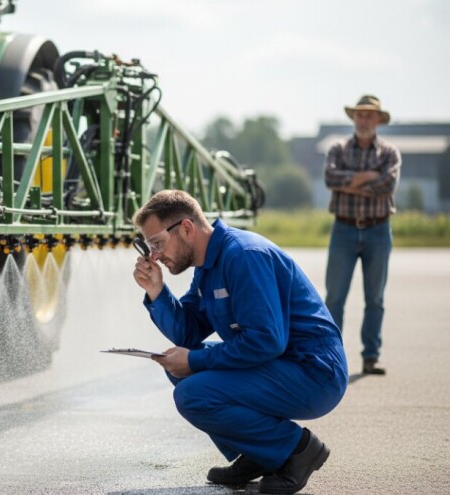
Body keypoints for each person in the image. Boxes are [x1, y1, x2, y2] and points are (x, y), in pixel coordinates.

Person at [132, 190, 348, 494]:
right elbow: (188, 333)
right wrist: (157, 290)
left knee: (192, 393)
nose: (153, 254)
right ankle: (259, 455)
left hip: (314, 374)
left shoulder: (243, 256)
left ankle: (297, 450)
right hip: (281, 364)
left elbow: (266, 340)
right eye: (148, 246)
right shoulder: (208, 266)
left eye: (156, 243)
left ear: (186, 229)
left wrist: (194, 360)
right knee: (177, 366)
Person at [323, 95, 401, 375]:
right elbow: (330, 178)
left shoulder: (390, 153)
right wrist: (368, 176)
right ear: (353, 118)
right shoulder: (338, 148)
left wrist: (350, 182)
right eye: (359, 114)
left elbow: (387, 186)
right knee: (334, 297)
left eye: (369, 115)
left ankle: (371, 356)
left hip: (378, 230)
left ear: (379, 120)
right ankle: (330, 356)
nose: (364, 120)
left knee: (375, 298)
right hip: (343, 228)